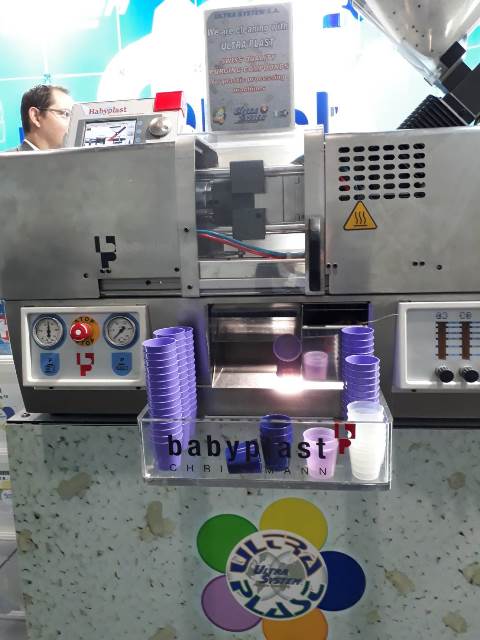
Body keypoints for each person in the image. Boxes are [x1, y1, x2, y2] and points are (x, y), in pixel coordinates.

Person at [13, 84, 74, 151]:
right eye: (66, 114)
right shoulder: (7, 158)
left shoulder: (73, 157)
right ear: (35, 117)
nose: (73, 123)